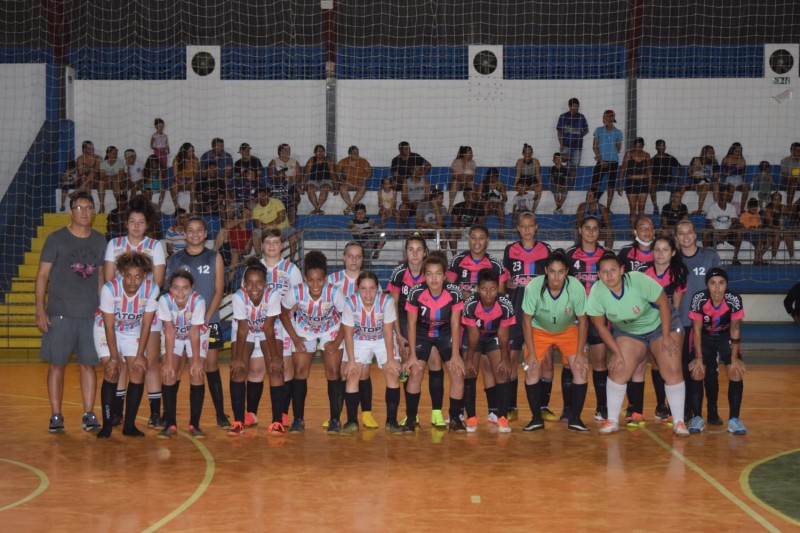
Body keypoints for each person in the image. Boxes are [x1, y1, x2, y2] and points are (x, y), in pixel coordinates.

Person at [586, 252, 689, 436]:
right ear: (599, 275)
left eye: (613, 270)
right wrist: (616, 352)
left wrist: (666, 336)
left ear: (622, 270)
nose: (609, 275)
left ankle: (679, 421)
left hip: (661, 325)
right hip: (629, 331)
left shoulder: (638, 280)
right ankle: (612, 419)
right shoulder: (597, 292)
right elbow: (600, 327)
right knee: (619, 368)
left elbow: (664, 303)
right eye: (604, 272)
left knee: (671, 368)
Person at [36, 191, 107, 433]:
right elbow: (43, 275)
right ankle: (56, 415)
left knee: (89, 365)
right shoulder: (56, 239)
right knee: (57, 365)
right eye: (79, 207)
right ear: (71, 211)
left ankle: (89, 413)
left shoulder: (100, 240)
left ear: (94, 211)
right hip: (60, 313)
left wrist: (103, 310)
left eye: (88, 207)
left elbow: (100, 276)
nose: (84, 212)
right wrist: (40, 309)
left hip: (90, 315)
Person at [103, 196, 167, 429]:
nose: (137, 226)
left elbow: (157, 282)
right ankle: (118, 412)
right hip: (119, 314)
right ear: (126, 223)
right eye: (132, 221)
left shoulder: (155, 246)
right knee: (119, 362)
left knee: (149, 362)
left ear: (147, 225)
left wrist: (139, 300)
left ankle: (154, 413)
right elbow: (108, 279)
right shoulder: (115, 245)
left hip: (147, 312)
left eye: (141, 221)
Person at [166, 215, 230, 429]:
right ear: (184, 234)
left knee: (209, 366)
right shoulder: (176, 259)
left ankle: (220, 413)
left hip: (208, 321)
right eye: (190, 230)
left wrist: (205, 319)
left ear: (205, 233)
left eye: (198, 230)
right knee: (176, 366)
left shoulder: (214, 257)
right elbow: (171, 289)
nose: (194, 234)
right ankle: (169, 417)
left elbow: (219, 290)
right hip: (180, 323)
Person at [521, 250, 590, 432]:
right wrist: (531, 354)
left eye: (560, 271)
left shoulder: (576, 288)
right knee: (532, 369)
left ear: (567, 271)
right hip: (539, 330)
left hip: (567, 330)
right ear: (545, 270)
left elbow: (583, 321)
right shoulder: (534, 287)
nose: (556, 276)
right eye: (552, 271)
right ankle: (536, 418)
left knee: (580, 369)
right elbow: (526, 320)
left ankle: (575, 418)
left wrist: (582, 352)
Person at [448, 224, 508, 428]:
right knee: (469, 368)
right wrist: (463, 296)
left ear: (487, 240)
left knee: (491, 367)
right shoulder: (458, 261)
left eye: (481, 237)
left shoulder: (496, 265)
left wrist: (476, 297)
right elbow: (448, 289)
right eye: (473, 237)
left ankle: (495, 412)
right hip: (465, 324)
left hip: (490, 325)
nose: (477, 241)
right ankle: (465, 414)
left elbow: (499, 296)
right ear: (469, 239)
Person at [94, 252, 159, 438]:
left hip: (132, 330)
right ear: (122, 272)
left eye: (138, 276)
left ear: (145, 276)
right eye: (129, 276)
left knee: (138, 370)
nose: (133, 281)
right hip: (106, 329)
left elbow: (146, 324)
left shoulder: (151, 289)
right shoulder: (109, 289)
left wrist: (140, 355)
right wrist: (114, 358)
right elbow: (108, 325)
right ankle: (106, 425)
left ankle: (129, 425)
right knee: (111, 371)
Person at [280, 251, 347, 433]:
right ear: (304, 278)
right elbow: (283, 312)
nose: (315, 285)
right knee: (300, 371)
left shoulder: (334, 292)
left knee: (333, 372)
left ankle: (335, 419)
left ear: (326, 278)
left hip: (331, 328)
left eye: (319, 280)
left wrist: (336, 341)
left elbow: (346, 318)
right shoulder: (296, 292)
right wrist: (295, 337)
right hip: (304, 330)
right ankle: (298, 419)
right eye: (311, 280)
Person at [386, 234, 447, 428]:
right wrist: (398, 334)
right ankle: (411, 415)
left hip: (430, 320)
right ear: (405, 253)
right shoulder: (399, 273)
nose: (415, 254)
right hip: (406, 319)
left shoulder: (431, 272)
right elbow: (393, 304)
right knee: (411, 365)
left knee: (435, 360)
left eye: (419, 250)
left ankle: (436, 412)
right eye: (411, 249)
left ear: (425, 252)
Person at [403, 252, 465, 432]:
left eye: (438, 273)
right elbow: (412, 324)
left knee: (457, 371)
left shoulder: (454, 292)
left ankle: (455, 418)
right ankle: (411, 419)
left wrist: (455, 355)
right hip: (422, 332)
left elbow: (455, 322)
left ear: (445, 275)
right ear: (424, 276)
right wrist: (412, 355)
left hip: (445, 332)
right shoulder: (416, 292)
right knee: (415, 372)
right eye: (429, 274)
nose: (434, 278)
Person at [227, 259, 285, 436]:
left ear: (265, 284)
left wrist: (275, 358)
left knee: (275, 370)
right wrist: (237, 358)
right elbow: (243, 328)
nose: (254, 287)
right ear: (244, 284)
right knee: (237, 370)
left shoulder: (273, 295)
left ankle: (277, 422)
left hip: (270, 329)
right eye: (250, 283)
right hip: (247, 330)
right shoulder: (238, 296)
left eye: (259, 283)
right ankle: (238, 421)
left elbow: (268, 327)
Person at [503, 212, 551, 421]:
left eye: (530, 225)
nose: (527, 229)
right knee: (512, 359)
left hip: (540, 314)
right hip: (515, 312)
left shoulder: (545, 250)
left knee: (545, 360)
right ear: (518, 229)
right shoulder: (510, 250)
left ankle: (542, 406)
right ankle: (512, 406)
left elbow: (553, 280)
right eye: (523, 226)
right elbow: (505, 277)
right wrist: (506, 284)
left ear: (536, 227)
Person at [688, 267, 747, 435]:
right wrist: (699, 357)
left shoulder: (734, 299)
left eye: (721, 283)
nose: (717, 287)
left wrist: (734, 358)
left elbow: (735, 329)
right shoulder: (699, 298)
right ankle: (697, 418)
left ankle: (734, 419)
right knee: (698, 371)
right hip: (704, 337)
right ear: (707, 284)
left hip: (725, 336)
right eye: (712, 283)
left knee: (735, 371)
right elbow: (697, 330)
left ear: (726, 284)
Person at [341, 271, 402, 433]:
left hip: (382, 338)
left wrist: (390, 359)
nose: (368, 293)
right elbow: (347, 333)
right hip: (359, 338)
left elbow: (388, 331)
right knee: (353, 373)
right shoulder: (350, 302)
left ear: (378, 288)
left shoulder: (386, 301)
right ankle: (352, 421)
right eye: (363, 289)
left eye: (372, 288)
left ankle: (391, 421)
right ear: (357, 289)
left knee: (392, 372)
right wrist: (352, 361)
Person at [675, 219, 722, 422]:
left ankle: (712, 410)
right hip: (683, 323)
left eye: (689, 232)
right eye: (681, 233)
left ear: (695, 235)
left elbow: (721, 287)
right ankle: (689, 410)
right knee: (686, 369)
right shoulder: (674, 260)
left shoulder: (709, 256)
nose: (686, 237)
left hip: (708, 325)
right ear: (677, 238)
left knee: (710, 370)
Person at [565, 216, 610, 420]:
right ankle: (569, 409)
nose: (591, 232)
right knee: (570, 363)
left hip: (599, 316)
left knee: (599, 362)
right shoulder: (569, 255)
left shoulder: (607, 256)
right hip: (574, 317)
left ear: (599, 232)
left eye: (595, 228)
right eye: (587, 228)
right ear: (580, 230)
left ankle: (602, 407)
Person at [258, 229, 304, 427]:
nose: (271, 246)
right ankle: (252, 412)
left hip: (283, 324)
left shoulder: (291, 269)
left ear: (282, 245)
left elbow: (299, 297)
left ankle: (283, 414)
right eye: (267, 242)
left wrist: (283, 313)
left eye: (275, 242)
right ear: (262, 245)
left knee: (285, 369)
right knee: (260, 368)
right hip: (260, 324)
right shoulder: (255, 267)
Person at [640, 236, 688, 423]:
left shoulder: (678, 273)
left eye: (665, 249)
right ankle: (661, 405)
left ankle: (678, 410)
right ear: (652, 252)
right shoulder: (645, 274)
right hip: (650, 323)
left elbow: (675, 305)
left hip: (671, 322)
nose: (660, 254)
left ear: (673, 252)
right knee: (657, 364)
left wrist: (667, 329)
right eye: (657, 250)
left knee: (673, 364)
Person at [461, 268, 516, 432]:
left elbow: (504, 335)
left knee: (502, 371)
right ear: (478, 288)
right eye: (484, 289)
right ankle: (471, 418)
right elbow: (473, 336)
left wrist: (505, 359)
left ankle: (502, 418)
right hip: (474, 338)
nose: (488, 294)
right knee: (470, 372)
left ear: (498, 288)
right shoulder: (470, 304)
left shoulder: (505, 305)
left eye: (492, 289)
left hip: (494, 337)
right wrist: (469, 359)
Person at [157, 270, 209, 438]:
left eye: (185, 288)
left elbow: (195, 332)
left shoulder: (198, 301)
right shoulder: (164, 300)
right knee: (169, 373)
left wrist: (195, 361)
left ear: (192, 288)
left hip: (197, 334)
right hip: (175, 336)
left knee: (197, 373)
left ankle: (195, 424)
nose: (180, 292)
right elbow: (170, 331)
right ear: (170, 288)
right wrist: (169, 363)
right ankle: (170, 423)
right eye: (176, 288)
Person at [590, 109, 623, 212]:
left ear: (612, 118)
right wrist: (601, 160)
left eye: (609, 117)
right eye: (605, 117)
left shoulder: (618, 132)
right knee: (594, 183)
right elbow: (594, 147)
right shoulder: (598, 130)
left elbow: (618, 149)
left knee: (611, 186)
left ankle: (608, 207)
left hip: (613, 162)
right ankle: (593, 204)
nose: (606, 119)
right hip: (601, 161)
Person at [252, 187, 297, 260]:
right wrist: (270, 225)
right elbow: (257, 225)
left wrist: (266, 225)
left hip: (282, 229)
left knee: (292, 233)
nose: (261, 198)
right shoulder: (256, 209)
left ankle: (292, 259)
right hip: (266, 231)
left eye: (263, 196)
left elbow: (281, 217)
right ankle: (259, 259)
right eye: (258, 197)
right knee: (255, 233)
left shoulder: (276, 202)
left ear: (267, 195)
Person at [704, 188, 742, 264]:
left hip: (728, 232)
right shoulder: (712, 207)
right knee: (705, 233)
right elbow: (708, 223)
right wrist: (716, 233)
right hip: (715, 232)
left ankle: (735, 258)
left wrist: (727, 232)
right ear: (720, 195)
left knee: (739, 232)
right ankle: (705, 258)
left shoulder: (731, 207)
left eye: (727, 195)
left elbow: (734, 222)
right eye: (724, 194)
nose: (725, 196)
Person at [267, 144, 302, 224]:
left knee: (295, 197)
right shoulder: (274, 161)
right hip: (278, 184)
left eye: (288, 149)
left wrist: (294, 182)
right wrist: (281, 178)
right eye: (285, 150)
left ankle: (290, 226)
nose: (287, 151)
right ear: (280, 151)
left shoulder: (294, 161)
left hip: (292, 183)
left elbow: (299, 175)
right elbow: (270, 175)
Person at [621, 137, 652, 228]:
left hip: (644, 182)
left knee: (641, 210)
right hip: (631, 182)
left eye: (640, 146)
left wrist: (650, 184)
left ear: (643, 146)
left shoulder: (647, 155)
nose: (638, 148)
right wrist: (620, 185)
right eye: (636, 146)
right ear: (634, 146)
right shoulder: (629, 154)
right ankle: (633, 231)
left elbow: (649, 170)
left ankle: (641, 230)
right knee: (632, 210)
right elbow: (623, 169)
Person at [556, 97, 589, 180]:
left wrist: (580, 135)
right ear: (570, 106)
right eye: (574, 106)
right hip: (566, 145)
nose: (576, 108)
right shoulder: (563, 117)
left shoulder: (581, 117)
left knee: (574, 167)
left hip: (577, 146)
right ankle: (563, 183)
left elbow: (586, 130)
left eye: (578, 106)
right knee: (562, 163)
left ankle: (571, 186)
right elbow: (559, 131)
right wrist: (561, 143)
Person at [649, 140, 683, 217]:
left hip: (669, 182)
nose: (662, 147)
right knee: (651, 186)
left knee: (677, 187)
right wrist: (656, 181)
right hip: (657, 183)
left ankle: (671, 206)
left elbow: (680, 167)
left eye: (663, 146)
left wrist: (676, 177)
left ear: (665, 147)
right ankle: (655, 207)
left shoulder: (670, 157)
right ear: (656, 147)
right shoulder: (652, 160)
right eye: (660, 146)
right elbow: (649, 174)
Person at [337, 145, 372, 215]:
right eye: (354, 153)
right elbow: (336, 170)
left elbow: (370, 172)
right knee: (342, 187)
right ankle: (353, 208)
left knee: (363, 187)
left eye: (357, 153)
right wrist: (341, 179)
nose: (357, 155)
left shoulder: (363, 161)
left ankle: (349, 207)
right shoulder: (344, 161)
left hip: (359, 182)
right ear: (349, 154)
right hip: (349, 182)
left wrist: (364, 179)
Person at [764, 191, 795, 262]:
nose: (776, 201)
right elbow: (770, 224)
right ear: (771, 200)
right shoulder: (768, 209)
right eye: (775, 199)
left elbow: (792, 216)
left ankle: (792, 257)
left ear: (781, 200)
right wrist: (780, 228)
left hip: (782, 229)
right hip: (770, 229)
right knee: (777, 234)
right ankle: (773, 257)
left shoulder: (783, 207)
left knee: (788, 234)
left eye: (778, 199)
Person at [719, 142, 750, 214]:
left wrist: (742, 167)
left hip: (739, 180)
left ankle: (742, 209)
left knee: (745, 187)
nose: (738, 153)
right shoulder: (726, 159)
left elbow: (743, 174)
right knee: (731, 187)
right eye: (736, 151)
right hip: (729, 179)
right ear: (732, 150)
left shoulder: (742, 159)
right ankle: (727, 207)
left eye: (739, 151)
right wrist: (735, 167)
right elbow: (723, 172)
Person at [304, 144, 335, 215]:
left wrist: (336, 187)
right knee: (309, 188)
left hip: (326, 180)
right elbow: (306, 174)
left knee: (325, 187)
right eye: (318, 151)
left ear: (324, 152)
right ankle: (317, 208)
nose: (320, 153)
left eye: (322, 151)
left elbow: (333, 174)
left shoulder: (328, 160)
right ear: (315, 152)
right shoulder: (311, 160)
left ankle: (317, 209)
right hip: (313, 180)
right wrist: (302, 186)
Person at [450, 188, 484, 253]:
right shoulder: (457, 207)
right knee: (453, 231)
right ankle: (454, 256)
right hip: (461, 229)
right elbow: (454, 223)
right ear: (465, 197)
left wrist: (473, 226)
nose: (474, 196)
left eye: (474, 195)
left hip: (473, 230)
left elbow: (481, 224)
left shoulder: (479, 207)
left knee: (479, 231)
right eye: (472, 195)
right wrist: (459, 223)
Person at [513, 144, 542, 212]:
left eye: (529, 153)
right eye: (526, 152)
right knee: (521, 187)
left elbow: (537, 174)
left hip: (532, 179)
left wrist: (540, 183)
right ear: (523, 153)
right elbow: (518, 174)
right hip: (523, 179)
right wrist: (515, 184)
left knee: (539, 188)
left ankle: (533, 210)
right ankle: (522, 208)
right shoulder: (520, 161)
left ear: (532, 153)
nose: (528, 154)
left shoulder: (535, 161)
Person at [739, 198, 768, 265]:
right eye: (753, 209)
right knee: (760, 239)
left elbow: (760, 225)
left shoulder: (757, 215)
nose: (755, 211)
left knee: (770, 239)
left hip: (757, 233)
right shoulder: (744, 215)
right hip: (748, 233)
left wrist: (759, 229)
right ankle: (757, 260)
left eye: (756, 209)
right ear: (748, 208)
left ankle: (759, 258)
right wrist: (749, 228)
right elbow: (741, 226)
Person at [448, 146, 476, 212]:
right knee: (455, 182)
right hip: (458, 182)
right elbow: (455, 175)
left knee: (471, 183)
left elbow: (472, 175)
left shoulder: (472, 163)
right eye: (470, 153)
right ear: (464, 154)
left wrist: (464, 179)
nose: (472, 155)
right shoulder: (456, 162)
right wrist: (463, 176)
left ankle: (472, 205)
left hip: (466, 182)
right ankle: (451, 205)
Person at [99, 146, 125, 215]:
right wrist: (112, 177)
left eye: (116, 153)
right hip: (107, 182)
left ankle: (119, 206)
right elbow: (102, 176)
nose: (115, 155)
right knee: (101, 182)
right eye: (113, 153)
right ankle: (102, 206)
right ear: (108, 154)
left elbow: (120, 176)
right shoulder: (103, 163)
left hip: (117, 182)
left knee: (115, 182)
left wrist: (109, 177)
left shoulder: (120, 162)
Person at [699, 145, 720, 210]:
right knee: (705, 185)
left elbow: (715, 177)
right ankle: (699, 209)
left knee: (715, 184)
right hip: (699, 183)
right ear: (704, 153)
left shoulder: (715, 163)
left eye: (713, 152)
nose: (712, 153)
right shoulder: (698, 160)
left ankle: (717, 207)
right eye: (709, 152)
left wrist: (715, 177)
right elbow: (693, 174)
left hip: (710, 183)